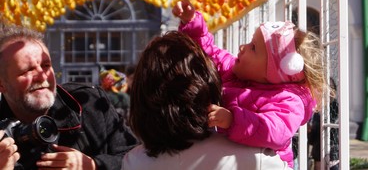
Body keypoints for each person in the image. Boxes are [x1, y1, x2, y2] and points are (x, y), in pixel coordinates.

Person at [172, 0, 326, 168]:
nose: (242, 47)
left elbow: (275, 131)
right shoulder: (235, 71)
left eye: (253, 48)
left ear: (271, 73)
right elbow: (210, 53)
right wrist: (192, 23)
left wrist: (233, 121)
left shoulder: (288, 100)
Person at [122, 31, 290, 170]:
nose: (242, 47)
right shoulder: (257, 159)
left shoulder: (134, 163)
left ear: (141, 100)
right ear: (208, 85)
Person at [0, 23, 136, 170]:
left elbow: (137, 158)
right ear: (2, 84)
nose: (42, 75)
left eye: (46, 65)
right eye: (28, 70)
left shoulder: (90, 102)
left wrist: (94, 165)